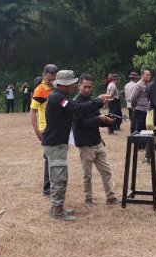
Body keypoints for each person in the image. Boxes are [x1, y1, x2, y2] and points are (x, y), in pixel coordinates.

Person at [42, 70, 110, 221]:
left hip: (57, 143)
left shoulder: (61, 97)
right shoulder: (57, 97)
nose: (73, 86)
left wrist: (97, 102)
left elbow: (77, 107)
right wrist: (98, 101)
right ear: (64, 85)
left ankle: (58, 208)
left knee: (60, 177)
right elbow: (77, 108)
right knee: (58, 178)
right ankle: (56, 211)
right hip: (54, 144)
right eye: (71, 84)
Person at [72, 74, 118, 210]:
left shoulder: (93, 101)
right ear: (78, 86)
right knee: (87, 175)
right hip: (85, 144)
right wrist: (100, 119)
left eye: (90, 87)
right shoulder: (75, 104)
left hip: (97, 141)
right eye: (85, 86)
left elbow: (97, 118)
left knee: (106, 171)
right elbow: (80, 125)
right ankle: (88, 200)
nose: (87, 89)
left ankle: (110, 197)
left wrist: (107, 121)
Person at [30, 64, 58, 197]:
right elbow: (33, 111)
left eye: (53, 79)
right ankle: (47, 188)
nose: (51, 82)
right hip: (46, 129)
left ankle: (55, 185)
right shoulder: (39, 90)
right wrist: (37, 131)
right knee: (49, 158)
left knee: (56, 157)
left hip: (57, 127)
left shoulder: (56, 88)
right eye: (49, 80)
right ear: (43, 75)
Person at [130, 69, 152, 143]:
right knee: (139, 128)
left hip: (147, 110)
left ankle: (144, 145)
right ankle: (139, 146)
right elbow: (133, 98)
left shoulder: (149, 85)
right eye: (147, 75)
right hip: (140, 110)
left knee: (146, 129)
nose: (149, 76)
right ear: (142, 75)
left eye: (150, 75)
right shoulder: (138, 85)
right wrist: (134, 107)